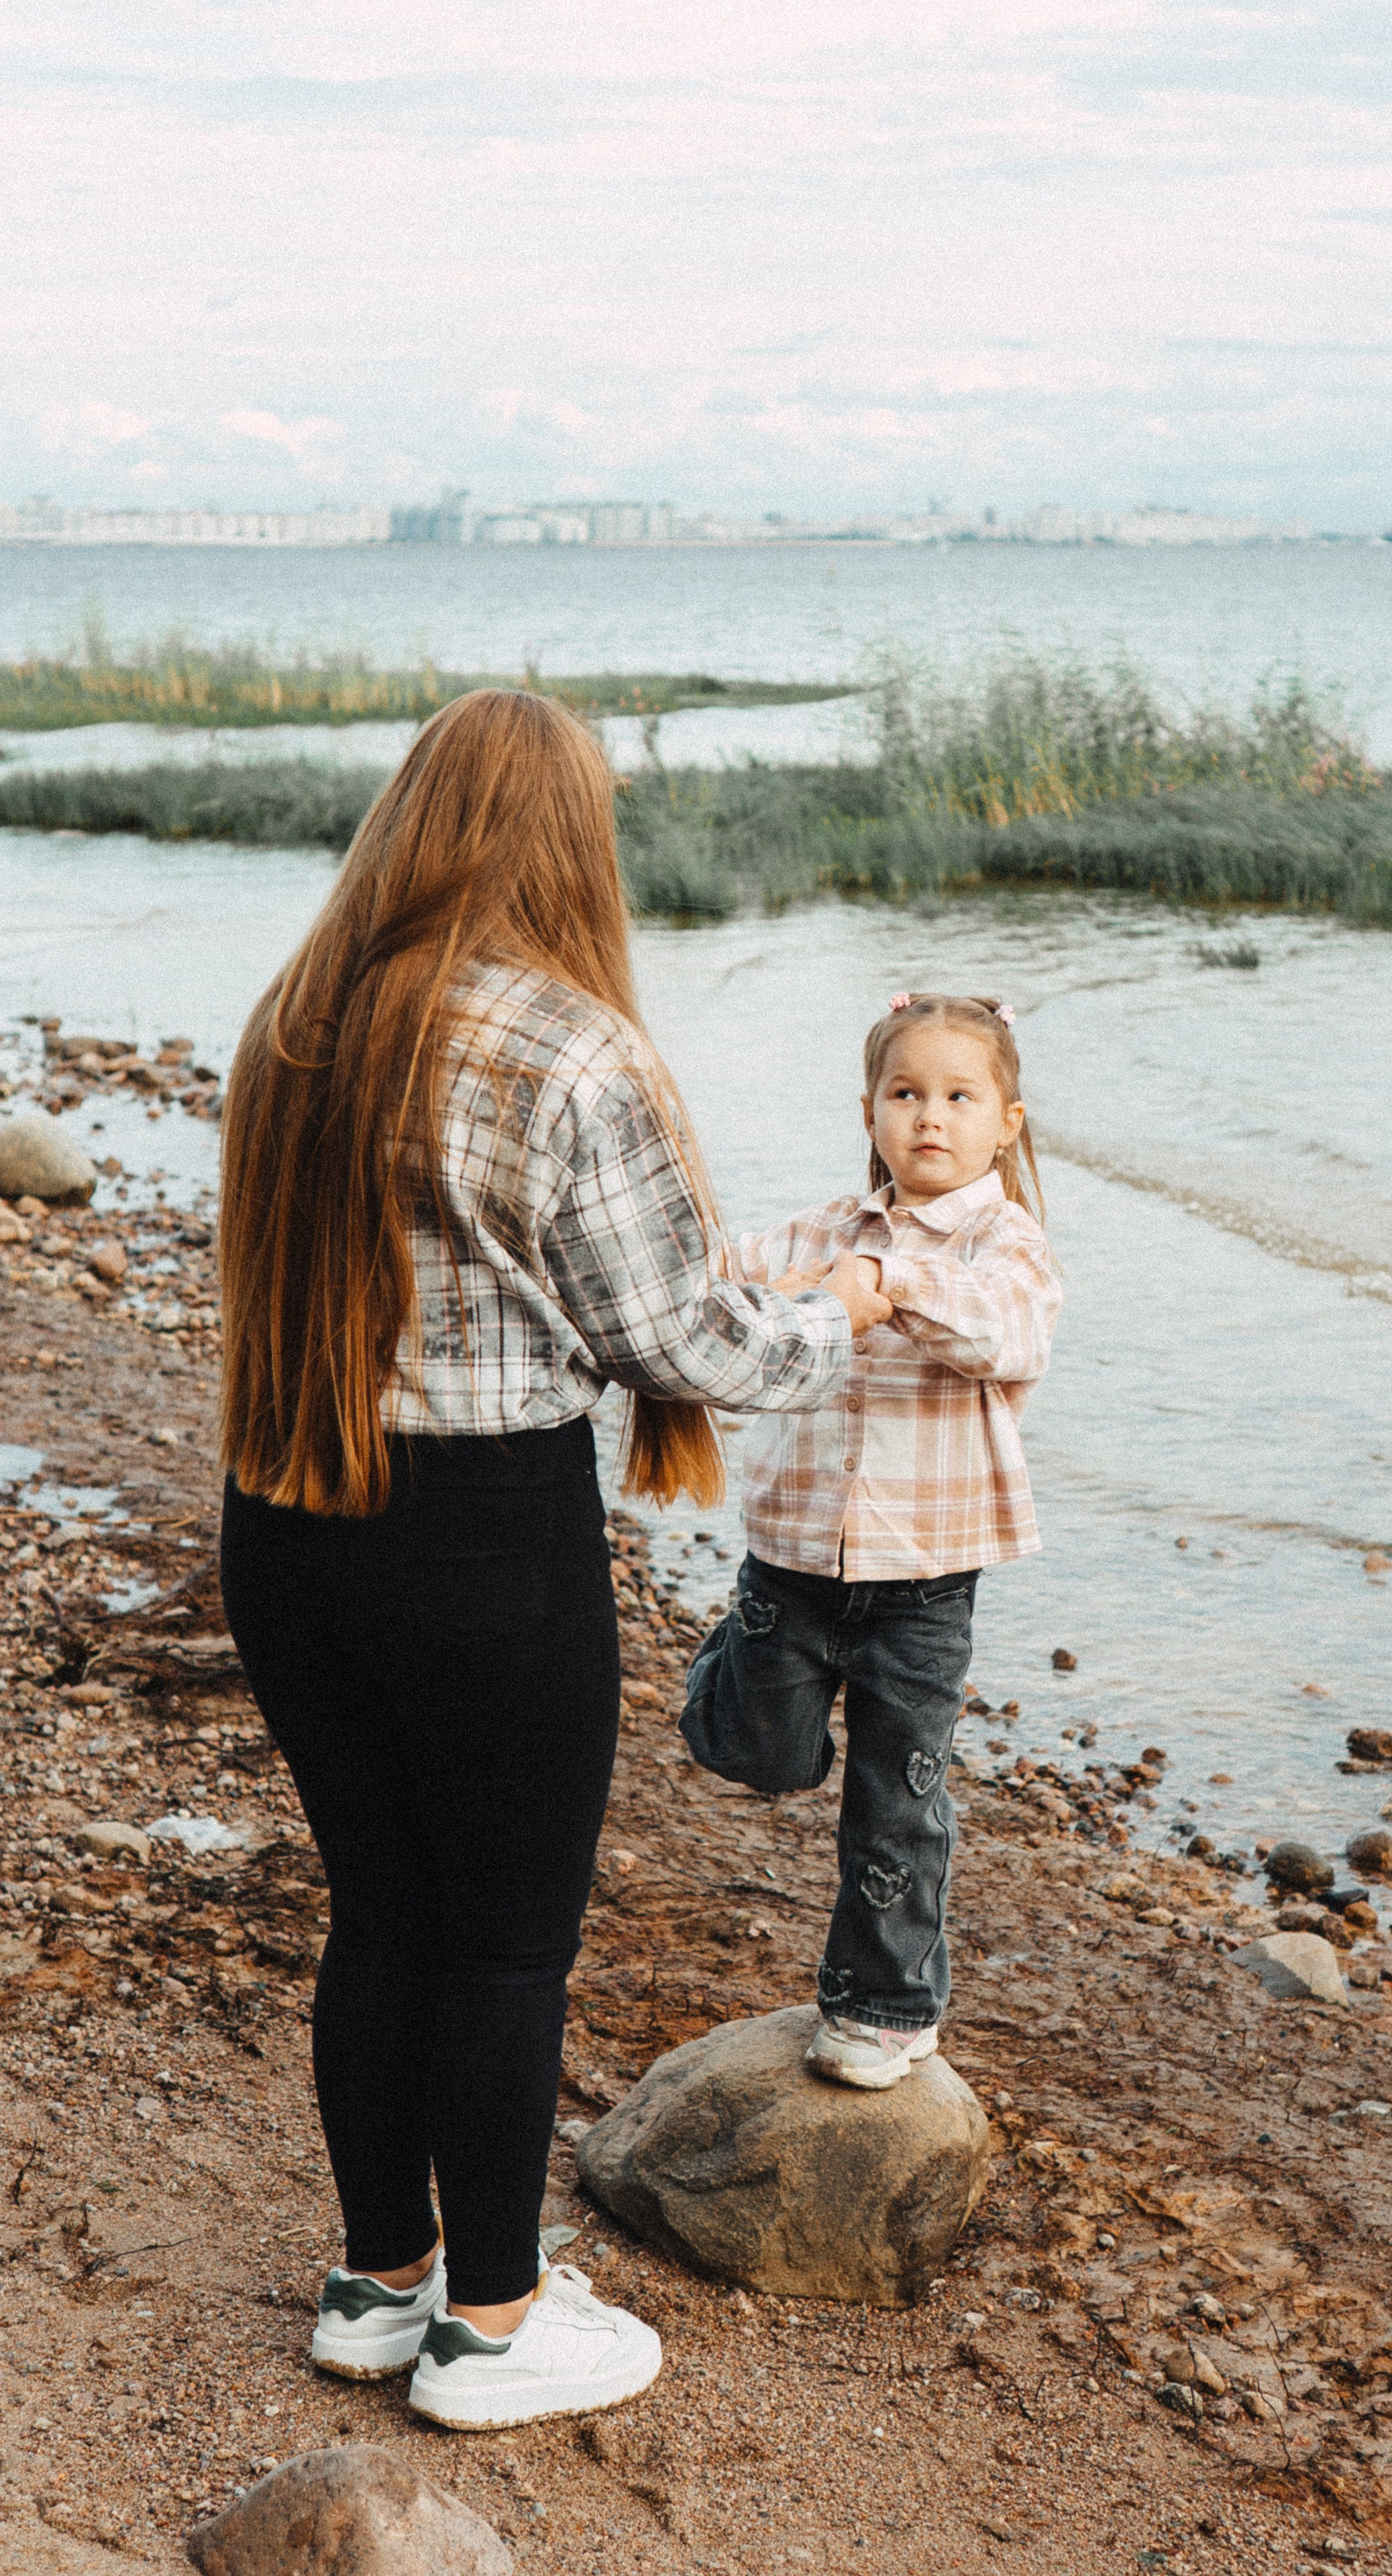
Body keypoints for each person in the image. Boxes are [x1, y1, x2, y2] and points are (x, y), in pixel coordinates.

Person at [217, 689, 888, 2430]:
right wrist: (843, 1313)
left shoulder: (297, 1021)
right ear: (567, 836)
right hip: (481, 1541)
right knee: (506, 1945)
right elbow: (688, 1343)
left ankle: (381, 2286)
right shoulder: (571, 1048)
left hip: (289, 1515)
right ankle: (495, 2328)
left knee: (381, 1905)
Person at [680, 989, 1062, 2088]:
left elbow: (1005, 1332)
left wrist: (888, 1288)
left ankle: (882, 2009)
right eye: (906, 1094)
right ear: (870, 1109)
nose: (929, 1118)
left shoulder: (1010, 1247)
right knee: (764, 1754)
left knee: (899, 1801)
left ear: (1007, 1123)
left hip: (926, 1580)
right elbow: (720, 1272)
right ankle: (724, 1674)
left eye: (958, 1096)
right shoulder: (828, 1229)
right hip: (791, 1557)